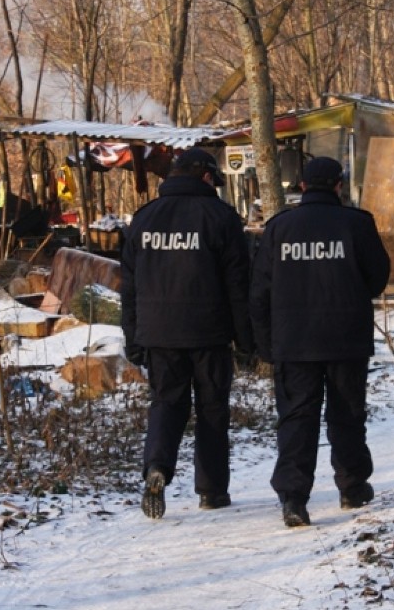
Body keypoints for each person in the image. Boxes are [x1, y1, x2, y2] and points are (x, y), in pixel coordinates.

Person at [249, 156, 390, 528]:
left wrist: (266, 344)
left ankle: (294, 499)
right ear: (339, 185)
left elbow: (259, 291)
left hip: (294, 343)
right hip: (346, 339)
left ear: (302, 186)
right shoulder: (358, 224)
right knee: (347, 415)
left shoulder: (279, 228)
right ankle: (352, 486)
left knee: (296, 419)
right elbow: (377, 278)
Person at [121, 147, 253, 519]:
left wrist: (133, 337)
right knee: (212, 409)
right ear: (206, 176)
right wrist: (246, 341)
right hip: (210, 334)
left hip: (158, 334)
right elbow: (237, 285)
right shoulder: (221, 218)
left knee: (166, 403)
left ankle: (157, 468)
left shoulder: (143, 219)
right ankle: (212, 491)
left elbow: (128, 287)